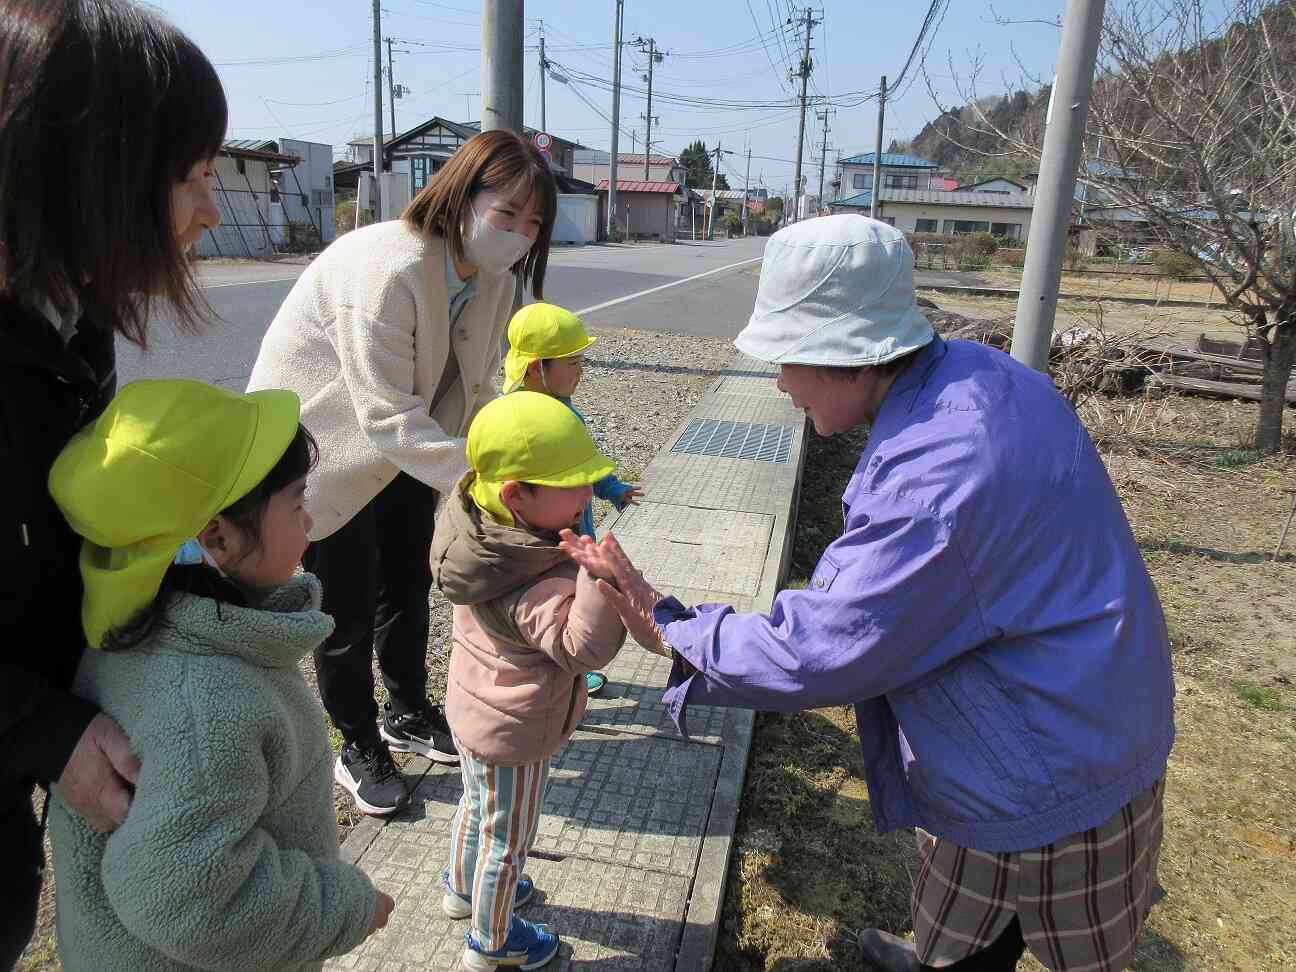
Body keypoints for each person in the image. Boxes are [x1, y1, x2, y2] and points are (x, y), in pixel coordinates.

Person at [562, 215, 1175, 972]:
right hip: (1063, 706)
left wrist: (673, 628)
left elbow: (826, 647)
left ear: (849, 359)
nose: (780, 384)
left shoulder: (937, 481)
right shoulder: (982, 376)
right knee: (970, 923)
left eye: (787, 359)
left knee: (1067, 946)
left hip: (1050, 758)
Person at [0, 1, 226, 963]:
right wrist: (40, 729)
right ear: (89, 169)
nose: (212, 211)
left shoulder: (66, 316)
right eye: (193, 177)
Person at [247, 129, 558, 818]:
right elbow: (382, 415)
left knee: (410, 583)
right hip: (325, 446)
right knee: (347, 605)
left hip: (413, 445)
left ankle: (407, 711)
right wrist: (486, 480)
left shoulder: (494, 280)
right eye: (507, 213)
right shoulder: (388, 267)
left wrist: (507, 450)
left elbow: (478, 388)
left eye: (534, 222)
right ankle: (357, 743)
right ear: (461, 195)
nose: (518, 233)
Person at [46, 379, 394, 971]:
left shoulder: (145, 637)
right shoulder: (204, 704)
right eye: (296, 504)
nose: (310, 519)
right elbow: (187, 897)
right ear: (218, 538)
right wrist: (344, 908)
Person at [429, 392, 628, 971]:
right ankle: (492, 944)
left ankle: (461, 888)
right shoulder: (533, 580)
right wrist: (595, 580)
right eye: (572, 483)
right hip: (513, 731)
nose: (586, 494)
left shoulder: (478, 533)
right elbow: (582, 650)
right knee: (507, 843)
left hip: (472, 709)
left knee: (476, 806)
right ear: (517, 494)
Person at [502, 301, 644, 695]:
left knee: (561, 606)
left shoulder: (558, 411)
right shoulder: (524, 420)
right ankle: (559, 679)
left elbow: (586, 465)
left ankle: (563, 675)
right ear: (536, 368)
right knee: (555, 609)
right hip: (550, 540)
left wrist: (612, 488)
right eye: (572, 363)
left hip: (568, 535)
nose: (581, 372)